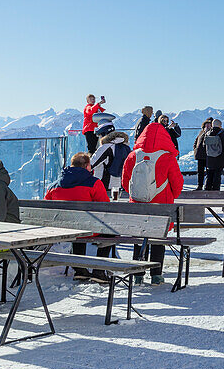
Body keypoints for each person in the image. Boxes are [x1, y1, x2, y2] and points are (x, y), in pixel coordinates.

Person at [121, 122, 184, 284]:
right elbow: (177, 185)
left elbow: (125, 182)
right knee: (158, 240)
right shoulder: (168, 157)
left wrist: (138, 194)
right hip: (161, 208)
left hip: (138, 206)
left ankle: (138, 274)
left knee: (138, 239)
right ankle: (156, 275)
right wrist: (168, 195)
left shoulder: (133, 156)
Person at [45, 152, 112, 281]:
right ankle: (99, 271)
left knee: (77, 228)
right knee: (110, 232)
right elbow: (105, 207)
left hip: (64, 229)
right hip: (88, 229)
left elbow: (46, 207)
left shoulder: (54, 186)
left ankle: (80, 269)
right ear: (87, 166)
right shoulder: (94, 183)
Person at [90, 124, 131, 191]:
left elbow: (92, 164)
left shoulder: (105, 147)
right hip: (121, 185)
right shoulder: (126, 147)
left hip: (105, 185)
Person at [203, 118, 224, 191]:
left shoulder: (208, 133)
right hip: (219, 157)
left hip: (209, 157)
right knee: (217, 174)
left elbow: (204, 145)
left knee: (209, 174)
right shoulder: (221, 133)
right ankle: (216, 190)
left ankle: (207, 189)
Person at [191, 119, 212, 190]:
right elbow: (196, 141)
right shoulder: (201, 132)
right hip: (200, 155)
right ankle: (199, 185)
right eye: (206, 124)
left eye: (209, 124)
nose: (208, 125)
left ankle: (208, 186)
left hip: (208, 155)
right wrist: (195, 149)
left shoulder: (211, 132)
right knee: (200, 172)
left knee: (209, 172)